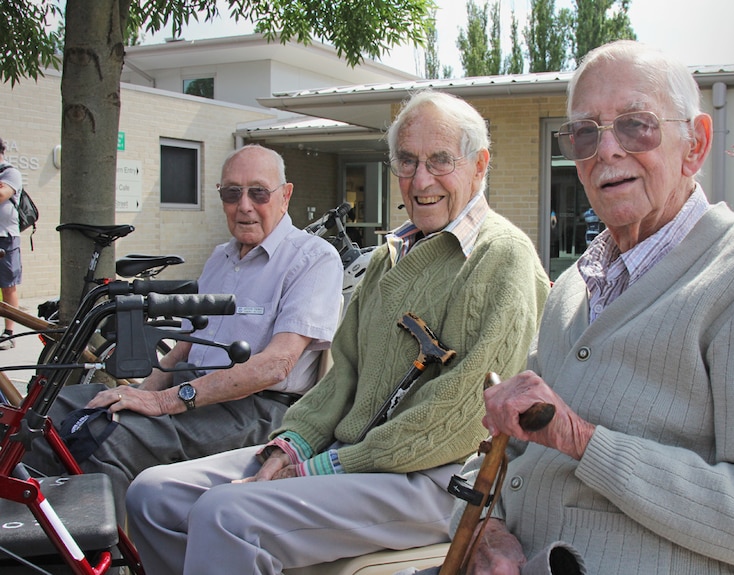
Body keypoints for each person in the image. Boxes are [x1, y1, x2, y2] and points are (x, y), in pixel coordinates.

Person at [440, 40, 734, 575]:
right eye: (584, 133)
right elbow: (505, 448)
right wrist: (484, 533)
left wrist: (582, 441)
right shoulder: (575, 289)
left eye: (635, 124)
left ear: (694, 145)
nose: (606, 151)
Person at [125, 89, 551, 575]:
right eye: (406, 162)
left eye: (440, 161)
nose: (421, 179)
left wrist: (318, 468)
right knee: (152, 496)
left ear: (479, 165)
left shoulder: (503, 258)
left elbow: (458, 419)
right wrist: (293, 445)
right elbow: (341, 374)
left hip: (434, 479)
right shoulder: (391, 254)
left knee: (226, 515)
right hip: (351, 459)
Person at [24, 144, 344, 520]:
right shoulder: (220, 257)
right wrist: (142, 392)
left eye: (258, 192)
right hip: (194, 391)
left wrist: (164, 402)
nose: (244, 205)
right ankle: (40, 536)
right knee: (44, 409)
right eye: (231, 193)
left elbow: (277, 365)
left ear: (285, 195)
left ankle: (112, 555)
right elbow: (183, 350)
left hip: (256, 408)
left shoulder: (312, 258)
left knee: (108, 440)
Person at [0, 136, 23, 350]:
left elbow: (1, 194)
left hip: (5, 237)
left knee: (8, 285)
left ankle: (9, 332)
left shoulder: (10, 173)